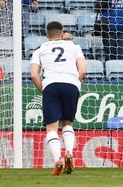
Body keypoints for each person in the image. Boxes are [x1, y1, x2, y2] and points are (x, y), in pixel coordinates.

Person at [30, 20, 86, 175]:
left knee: (51, 127)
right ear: (62, 34)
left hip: (51, 84)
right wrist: (75, 83)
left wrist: (44, 90)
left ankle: (58, 159)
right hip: (71, 84)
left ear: (47, 35)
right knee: (68, 123)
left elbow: (34, 74)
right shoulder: (74, 47)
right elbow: (82, 70)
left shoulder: (40, 49)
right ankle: (69, 152)